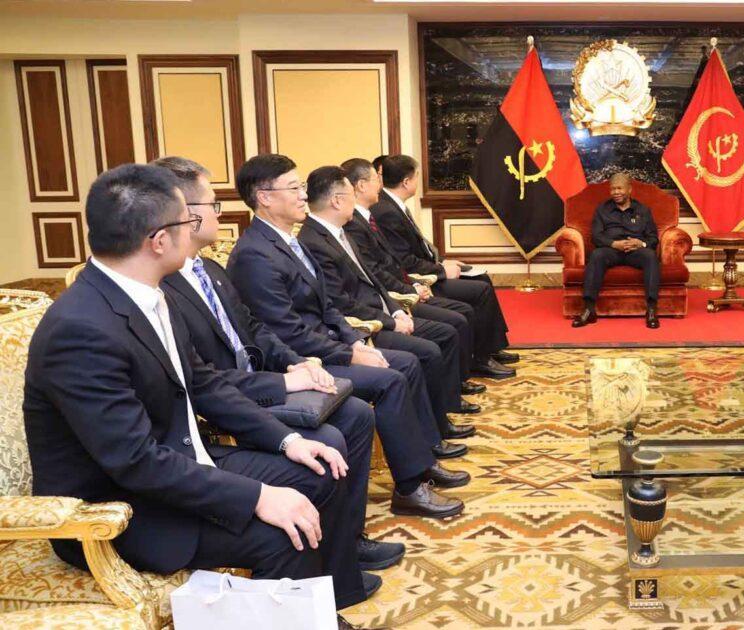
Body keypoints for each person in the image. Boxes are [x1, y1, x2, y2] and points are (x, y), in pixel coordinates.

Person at [23, 164, 373, 619]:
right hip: (119, 508)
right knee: (281, 533)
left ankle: (318, 614)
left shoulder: (147, 293)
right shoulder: (80, 330)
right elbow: (135, 461)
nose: (196, 229)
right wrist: (259, 497)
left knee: (320, 470)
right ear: (159, 241)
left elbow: (203, 383)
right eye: (186, 221)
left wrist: (287, 440)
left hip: (180, 459)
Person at [153, 156, 406, 574]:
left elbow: (254, 329)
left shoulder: (209, 269)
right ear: (182, 215)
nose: (220, 214)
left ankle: (346, 541)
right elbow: (203, 379)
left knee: (356, 414)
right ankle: (335, 560)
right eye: (212, 204)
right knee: (331, 439)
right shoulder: (164, 286)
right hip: (233, 400)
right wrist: (285, 383)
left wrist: (299, 364)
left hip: (261, 379)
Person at [226, 154, 468, 519]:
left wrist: (354, 340)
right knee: (391, 379)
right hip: (302, 361)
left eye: (301, 187)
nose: (303, 195)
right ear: (264, 197)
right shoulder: (254, 255)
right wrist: (348, 354)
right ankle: (409, 488)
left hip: (330, 344)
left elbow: (328, 307)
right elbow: (286, 331)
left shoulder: (290, 241)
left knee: (405, 365)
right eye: (294, 188)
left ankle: (422, 462)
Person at [299, 165, 477, 437]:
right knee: (426, 352)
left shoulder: (339, 231)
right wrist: (389, 321)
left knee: (444, 332)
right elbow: (341, 302)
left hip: (383, 312)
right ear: (337, 200)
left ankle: (440, 418)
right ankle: (435, 432)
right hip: (364, 325)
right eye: (350, 194)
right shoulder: (314, 241)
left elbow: (373, 278)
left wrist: (395, 311)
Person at [340, 157, 489, 397]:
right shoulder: (355, 225)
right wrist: (410, 291)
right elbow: (375, 274)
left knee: (461, 314)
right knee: (454, 324)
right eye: (376, 178)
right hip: (384, 308)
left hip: (401, 292)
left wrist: (414, 284)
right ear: (361, 186)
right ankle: (453, 392)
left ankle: (462, 380)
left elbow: (389, 265)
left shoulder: (364, 218)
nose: (381, 183)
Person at [372, 155, 517, 378]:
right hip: (418, 280)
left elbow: (417, 250)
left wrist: (440, 263)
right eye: (417, 176)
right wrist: (440, 271)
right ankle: (479, 359)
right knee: (480, 290)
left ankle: (489, 348)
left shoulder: (393, 205)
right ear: (406, 182)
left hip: (427, 270)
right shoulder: (386, 212)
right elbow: (405, 261)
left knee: (481, 279)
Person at [571, 172, 662, 329]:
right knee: (597, 255)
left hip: (635, 252)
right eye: (613, 189)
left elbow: (653, 238)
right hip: (611, 251)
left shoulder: (643, 210)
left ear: (629, 189)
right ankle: (588, 309)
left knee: (650, 256)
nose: (616, 192)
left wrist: (641, 243)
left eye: (620, 188)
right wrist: (614, 244)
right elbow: (596, 237)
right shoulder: (602, 210)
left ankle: (652, 309)